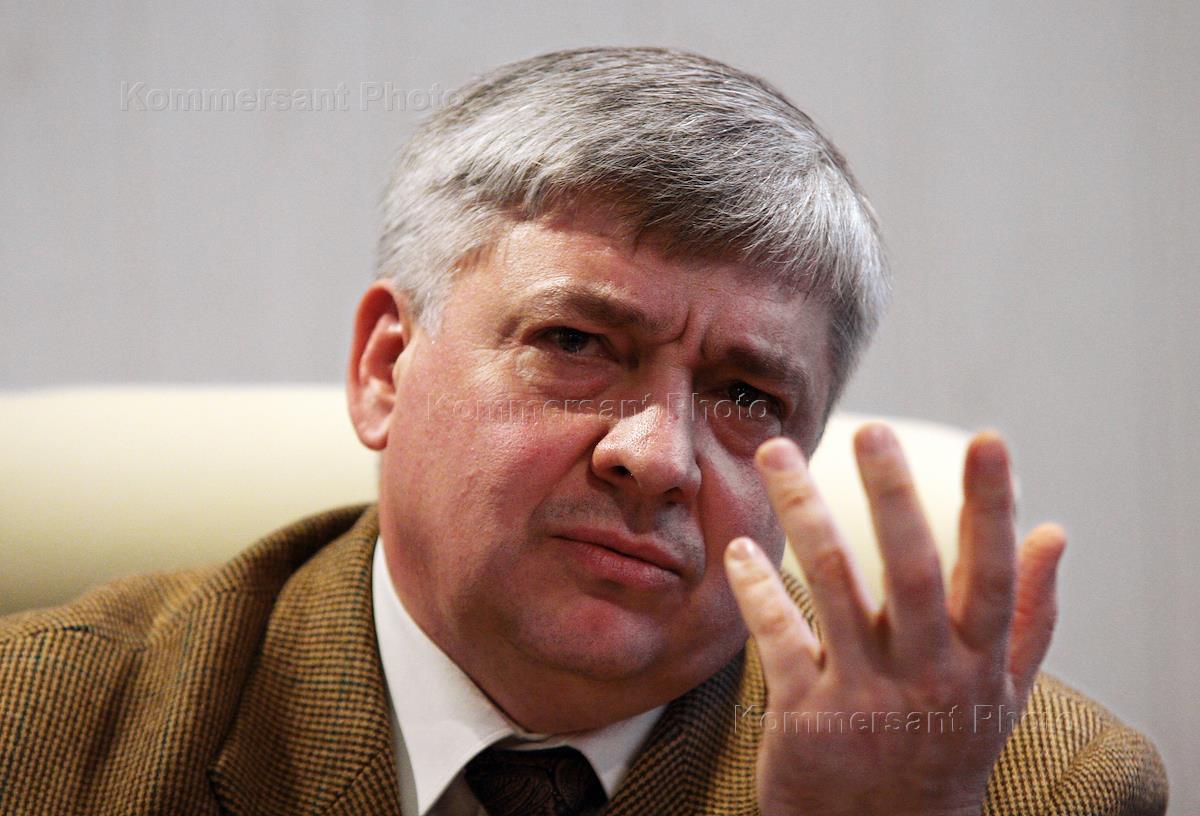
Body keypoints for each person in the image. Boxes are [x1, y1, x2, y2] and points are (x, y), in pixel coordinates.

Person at [0, 47, 1166, 815]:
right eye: (576, 343)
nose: (656, 458)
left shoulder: (1031, 788)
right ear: (385, 369)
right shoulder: (36, 734)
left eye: (747, 397)